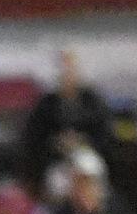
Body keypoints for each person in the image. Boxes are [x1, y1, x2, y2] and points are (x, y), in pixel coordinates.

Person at [19, 51, 114, 195]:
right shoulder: (46, 104)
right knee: (57, 182)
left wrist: (83, 141)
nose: (68, 76)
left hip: (87, 154)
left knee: (91, 168)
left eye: (71, 71)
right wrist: (56, 142)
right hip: (56, 160)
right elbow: (34, 136)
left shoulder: (93, 101)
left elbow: (105, 132)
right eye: (64, 73)